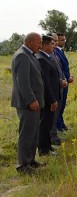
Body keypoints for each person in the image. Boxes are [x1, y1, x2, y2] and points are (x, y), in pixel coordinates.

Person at [11, 32, 45, 175]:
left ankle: (30, 161)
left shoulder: (29, 54)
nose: (40, 45)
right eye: (39, 42)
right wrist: (31, 100)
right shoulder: (22, 56)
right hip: (27, 104)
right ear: (30, 42)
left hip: (35, 102)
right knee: (26, 134)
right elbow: (23, 82)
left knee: (33, 133)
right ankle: (23, 166)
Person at [36, 35, 61, 156]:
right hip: (47, 99)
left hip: (52, 96)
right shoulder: (41, 59)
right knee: (44, 124)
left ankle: (48, 147)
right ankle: (43, 150)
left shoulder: (48, 57)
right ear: (44, 45)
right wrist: (52, 99)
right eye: (51, 44)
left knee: (48, 123)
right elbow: (45, 82)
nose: (54, 45)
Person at [54, 33, 74, 134]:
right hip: (61, 83)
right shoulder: (55, 52)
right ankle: (58, 127)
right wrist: (67, 78)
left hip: (65, 82)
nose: (63, 42)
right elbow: (60, 69)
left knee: (62, 105)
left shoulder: (60, 51)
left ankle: (61, 125)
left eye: (64, 40)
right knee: (59, 105)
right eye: (61, 40)